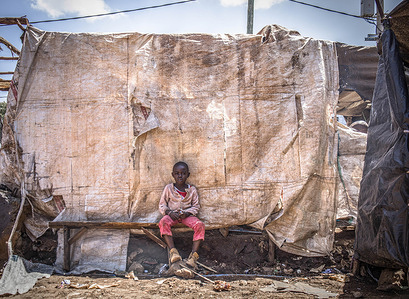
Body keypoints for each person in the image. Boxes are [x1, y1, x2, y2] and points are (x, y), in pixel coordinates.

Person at [158, 162, 205, 268]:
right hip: (172, 216)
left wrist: (187, 213)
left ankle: (193, 256)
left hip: (187, 217)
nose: (180, 176)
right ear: (172, 175)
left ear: (188, 175)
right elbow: (162, 205)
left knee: (200, 225)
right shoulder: (169, 188)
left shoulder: (192, 190)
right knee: (163, 222)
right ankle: (173, 252)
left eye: (183, 173)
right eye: (177, 173)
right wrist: (169, 212)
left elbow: (196, 206)